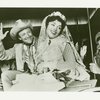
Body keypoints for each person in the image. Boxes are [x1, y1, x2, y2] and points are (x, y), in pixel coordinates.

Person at [8, 11, 90, 91]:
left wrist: (49, 65)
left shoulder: (63, 42)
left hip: (63, 77)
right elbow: (39, 65)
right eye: (53, 25)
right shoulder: (42, 44)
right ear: (46, 25)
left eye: (59, 27)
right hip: (45, 77)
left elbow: (71, 65)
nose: (55, 29)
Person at [0, 19, 37, 91]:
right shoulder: (17, 47)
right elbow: (2, 56)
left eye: (29, 32)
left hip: (39, 73)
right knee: (5, 75)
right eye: (23, 34)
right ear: (20, 38)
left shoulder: (41, 42)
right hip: (23, 73)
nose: (28, 36)